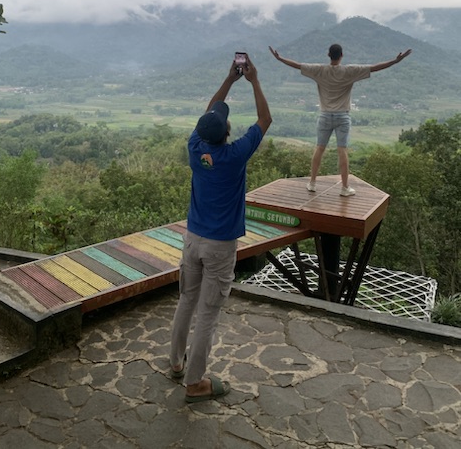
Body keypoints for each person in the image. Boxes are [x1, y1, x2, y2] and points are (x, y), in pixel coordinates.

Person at [169, 54, 272, 403]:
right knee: (208, 315)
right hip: (219, 247)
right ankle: (195, 383)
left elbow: (209, 113)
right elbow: (265, 120)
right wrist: (253, 80)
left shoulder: (194, 148)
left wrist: (229, 79)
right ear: (227, 131)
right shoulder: (235, 155)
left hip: (192, 239)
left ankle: (176, 363)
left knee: (187, 300)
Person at [268, 43, 412, 196]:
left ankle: (312, 183)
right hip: (342, 116)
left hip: (325, 115)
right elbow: (374, 67)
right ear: (342, 55)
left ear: (328, 55)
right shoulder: (349, 71)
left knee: (319, 148)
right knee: (342, 150)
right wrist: (395, 61)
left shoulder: (319, 70)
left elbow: (297, 65)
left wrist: (280, 58)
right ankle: (344, 188)